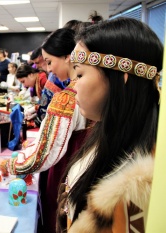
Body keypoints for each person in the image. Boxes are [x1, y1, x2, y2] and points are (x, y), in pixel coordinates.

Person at [56, 18, 163, 233]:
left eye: (79, 73)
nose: (73, 86)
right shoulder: (104, 132)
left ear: (121, 78)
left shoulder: (137, 188)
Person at [0, 28, 88, 233]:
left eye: (49, 61)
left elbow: (45, 153)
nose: (47, 69)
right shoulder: (81, 90)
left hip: (64, 169)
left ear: (67, 57)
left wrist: (10, 165)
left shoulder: (68, 96)